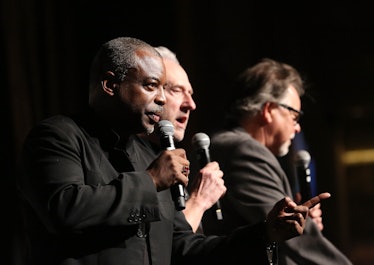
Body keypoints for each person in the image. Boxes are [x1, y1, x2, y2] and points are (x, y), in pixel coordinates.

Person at [16, 37, 326, 265]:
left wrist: (265, 234)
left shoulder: (146, 156)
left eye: (167, 89)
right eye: (151, 86)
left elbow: (183, 250)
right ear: (111, 85)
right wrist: (150, 182)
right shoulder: (58, 136)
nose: (162, 100)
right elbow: (63, 209)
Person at [203, 58, 353, 264]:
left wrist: (300, 218)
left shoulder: (227, 143)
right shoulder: (243, 150)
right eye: (294, 116)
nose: (297, 127)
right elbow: (288, 235)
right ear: (268, 110)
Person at [128, 46, 226, 233]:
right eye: (177, 90)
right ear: (151, 91)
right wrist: (199, 201)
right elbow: (165, 247)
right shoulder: (131, 159)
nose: (191, 104)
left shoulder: (165, 156)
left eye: (190, 93)